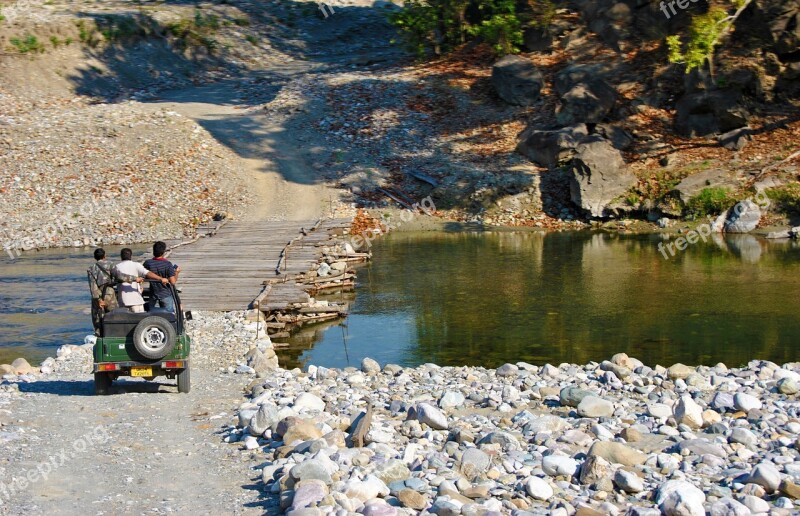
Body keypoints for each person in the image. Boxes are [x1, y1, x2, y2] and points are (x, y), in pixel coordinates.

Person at [87, 248, 140, 334]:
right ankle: (114, 334)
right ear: (104, 256)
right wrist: (135, 278)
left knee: (98, 318)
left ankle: (100, 337)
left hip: (98, 297)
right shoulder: (110, 264)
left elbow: (93, 286)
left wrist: (98, 300)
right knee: (113, 316)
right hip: (109, 293)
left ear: (95, 257)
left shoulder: (91, 269)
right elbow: (120, 276)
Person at [114, 248, 169, 313]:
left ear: (121, 256)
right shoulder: (136, 265)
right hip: (136, 300)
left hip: (123, 300)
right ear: (131, 256)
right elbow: (147, 273)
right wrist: (160, 278)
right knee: (139, 321)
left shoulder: (117, 267)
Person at [143, 241, 180, 313]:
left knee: (151, 314)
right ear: (163, 252)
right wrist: (176, 272)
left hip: (153, 293)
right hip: (165, 293)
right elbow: (173, 282)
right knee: (169, 314)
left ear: (153, 251)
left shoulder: (148, 263)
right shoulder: (167, 264)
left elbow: (144, 275)